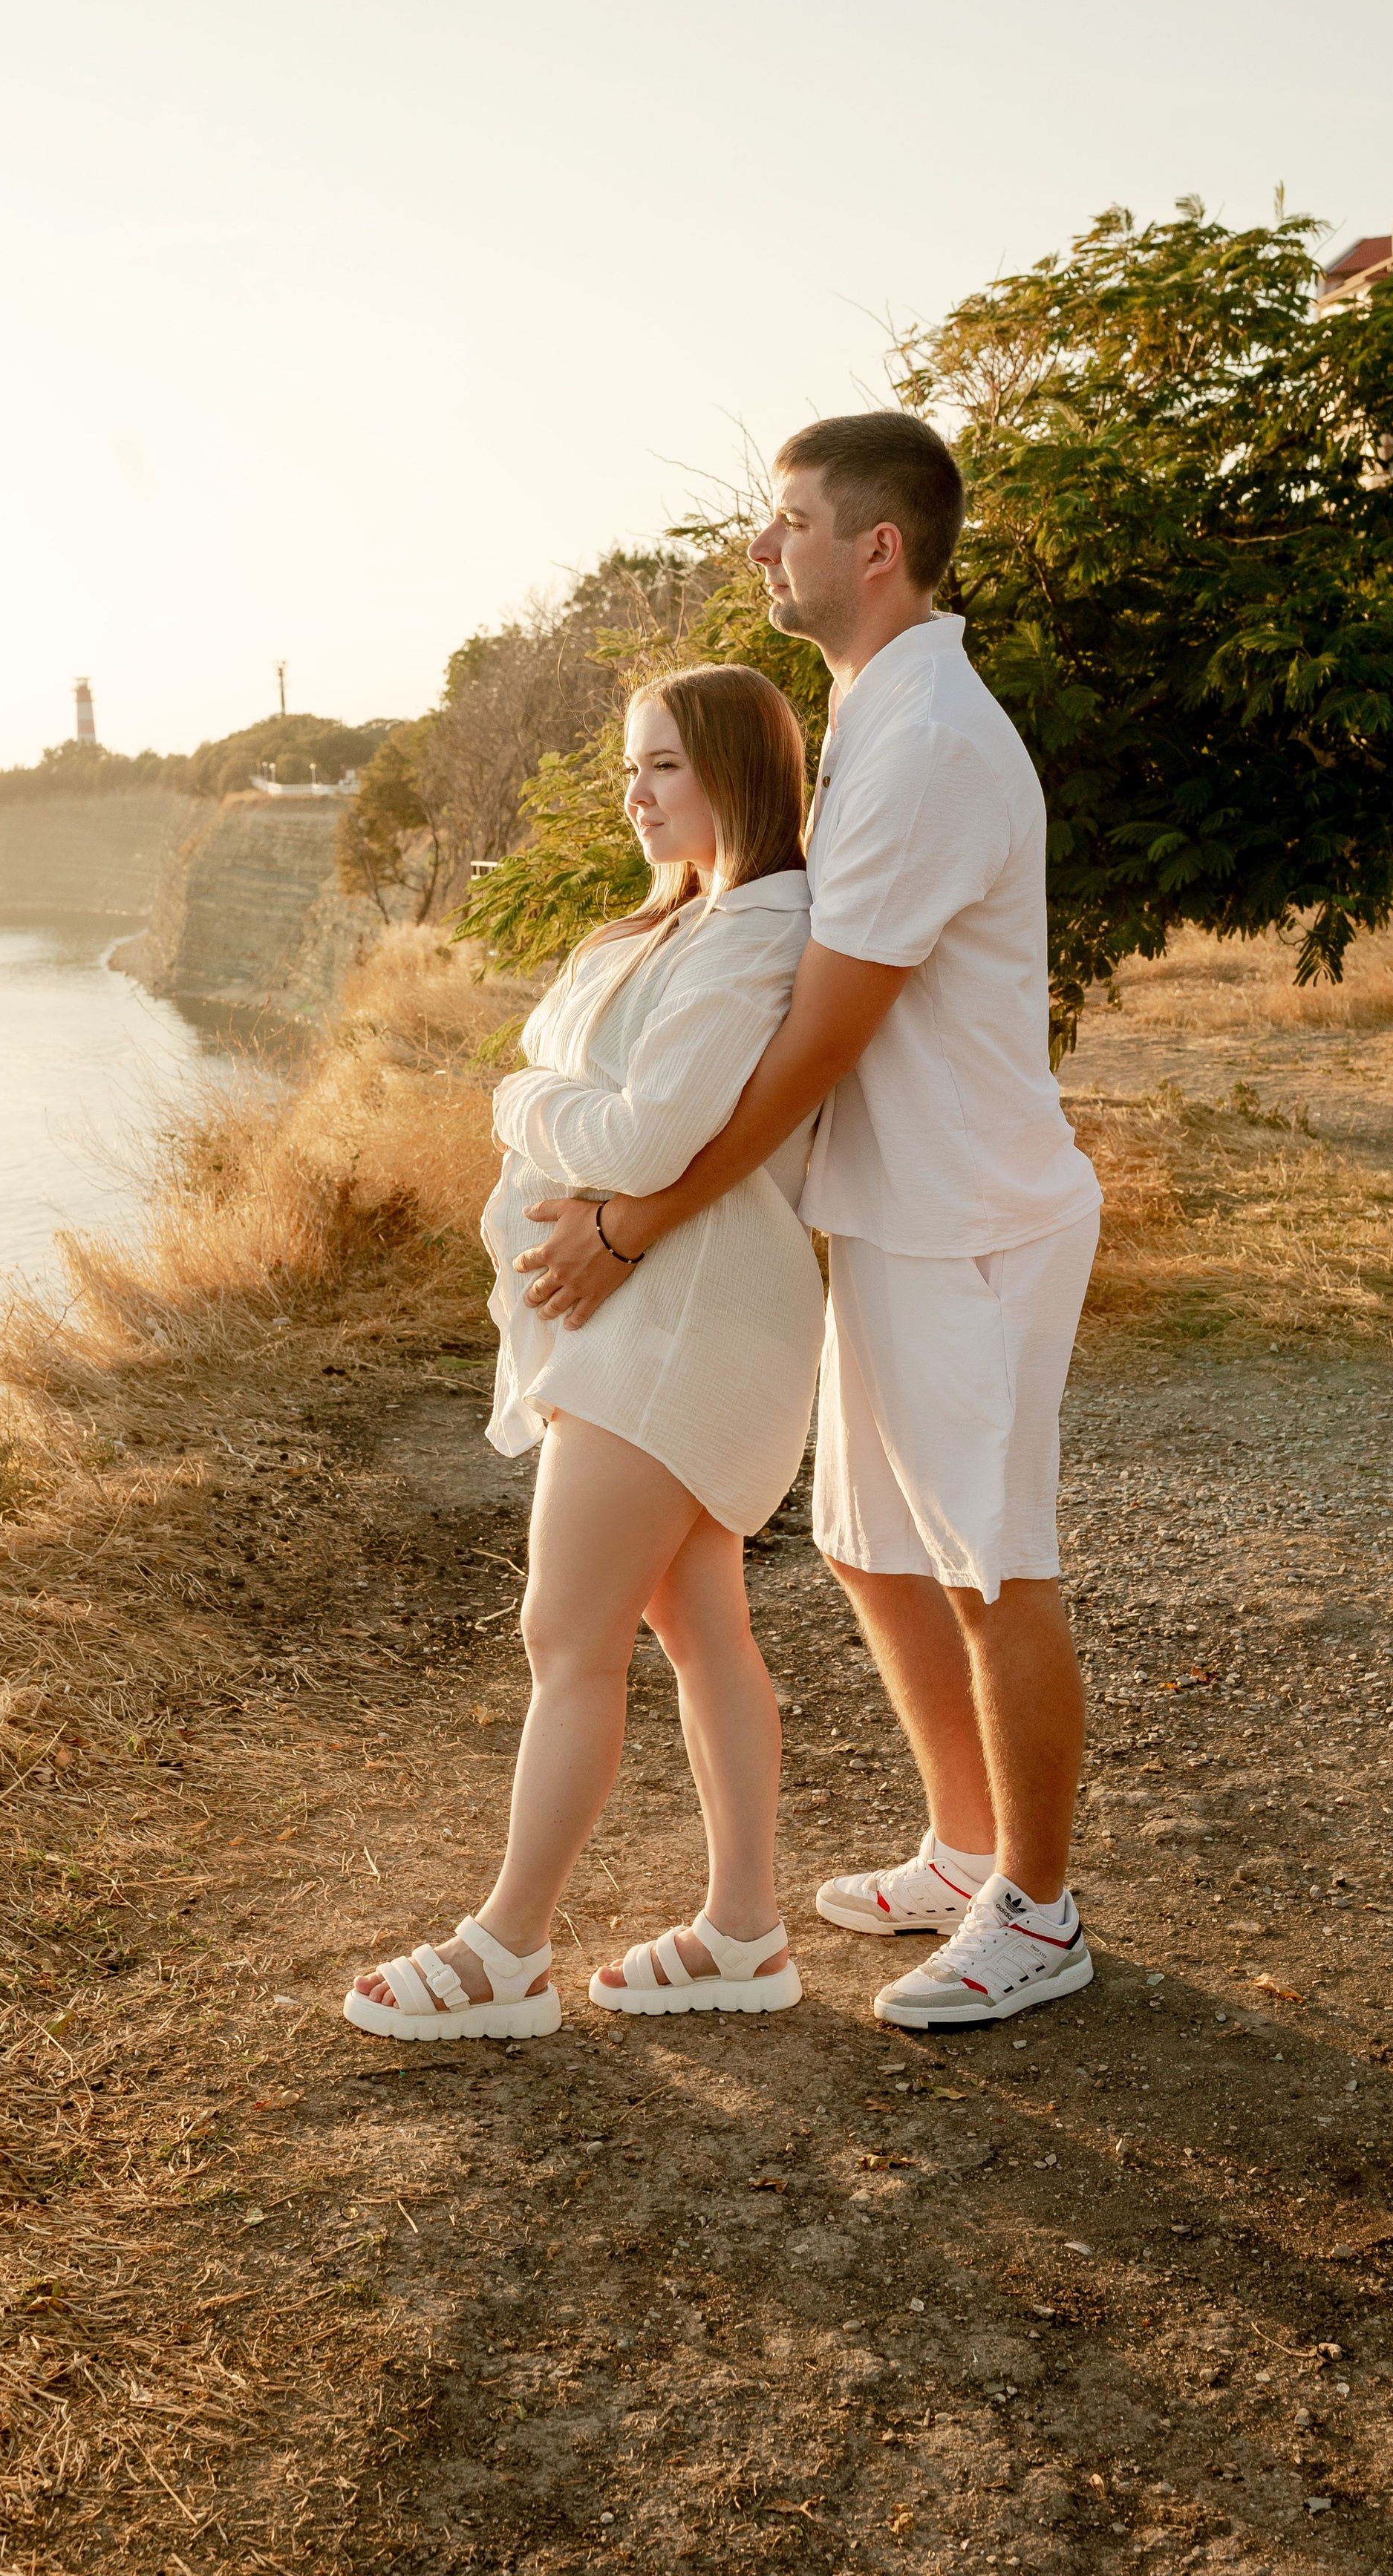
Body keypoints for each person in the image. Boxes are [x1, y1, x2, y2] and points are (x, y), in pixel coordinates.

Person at [517, 413, 1103, 2033]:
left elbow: (816, 1045)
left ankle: (1036, 1914)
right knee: (865, 1545)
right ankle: (962, 1841)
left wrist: (634, 1223)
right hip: (894, 1210)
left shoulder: (920, 743)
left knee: (993, 1566)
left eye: (785, 523)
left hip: (967, 1214)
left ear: (875, 549)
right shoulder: (873, 709)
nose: (759, 548)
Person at [344, 665, 826, 2041]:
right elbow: (611, 1115)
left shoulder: (757, 928)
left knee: (569, 1633)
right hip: (648, 1309)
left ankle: (507, 1949)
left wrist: (515, 1092)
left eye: (664, 766)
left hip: (682, 1317)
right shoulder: (673, 925)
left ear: (737, 773)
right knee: (698, 1623)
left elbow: (643, 1137)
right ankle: (744, 1933)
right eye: (632, 766)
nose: (635, 793)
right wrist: (570, 1108)